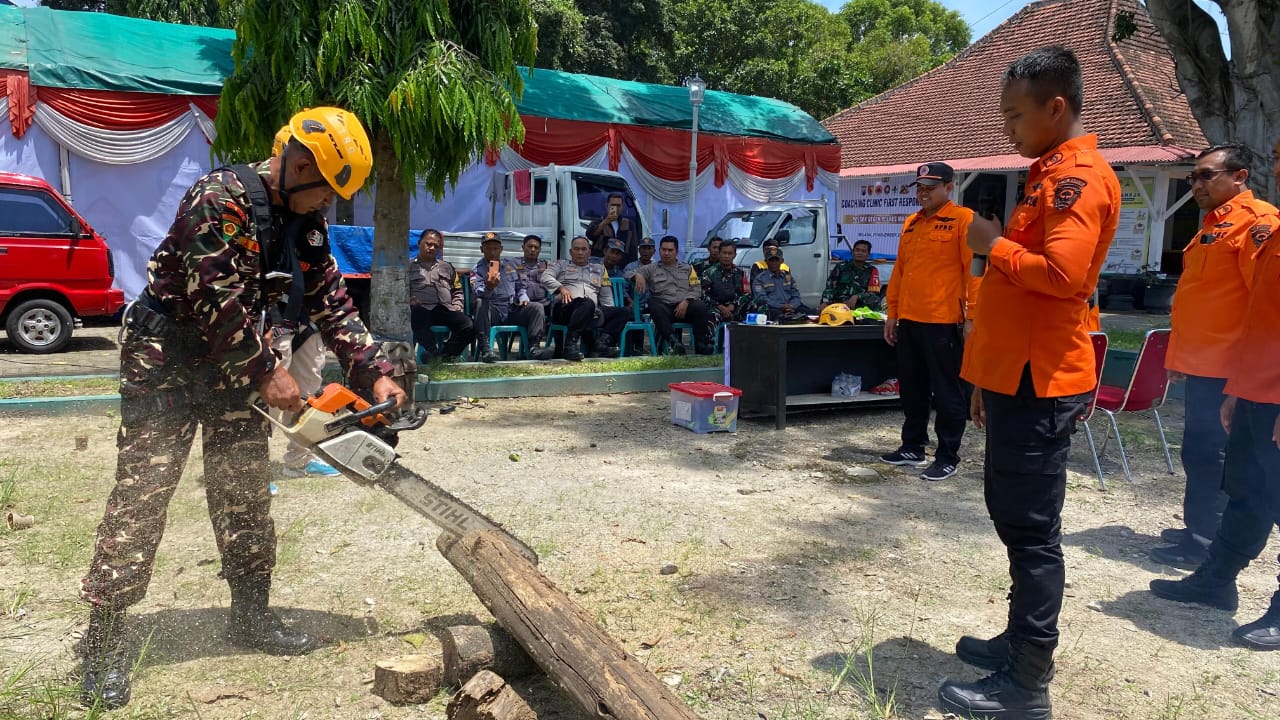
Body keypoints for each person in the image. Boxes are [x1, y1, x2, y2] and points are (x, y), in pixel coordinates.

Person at [78, 107, 406, 709]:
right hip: (167, 360)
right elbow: (216, 299)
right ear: (301, 164)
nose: (326, 206)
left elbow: (331, 298)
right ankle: (101, 643)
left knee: (243, 490)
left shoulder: (302, 221)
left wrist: (375, 372)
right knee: (143, 495)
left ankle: (250, 615)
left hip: (236, 365)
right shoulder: (220, 198)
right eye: (326, 191)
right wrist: (267, 372)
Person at [938, 47, 1121, 719]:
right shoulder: (1049, 174)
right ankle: (1019, 641)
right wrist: (986, 378)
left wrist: (993, 243)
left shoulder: (1079, 178)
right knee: (1014, 519)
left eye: (1015, 116)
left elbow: (1063, 276)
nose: (1006, 130)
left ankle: (1027, 683)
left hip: (1043, 383)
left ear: (1056, 107)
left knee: (1033, 533)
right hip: (1018, 377)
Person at [1147, 135, 1280, 652]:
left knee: (1253, 482)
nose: (1195, 183)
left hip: (1251, 378)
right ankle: (1215, 578)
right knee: (1242, 482)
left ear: (1237, 178)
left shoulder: (1259, 224)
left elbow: (1256, 311)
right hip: (1243, 378)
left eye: (1205, 175)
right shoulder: (1218, 226)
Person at [880, 161, 982, 482]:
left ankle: (947, 455)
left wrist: (972, 317)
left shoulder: (964, 221)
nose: (923, 194)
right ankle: (912, 446)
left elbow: (976, 273)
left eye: (931, 188)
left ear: (949, 187)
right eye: (920, 188)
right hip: (910, 321)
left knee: (948, 393)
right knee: (912, 389)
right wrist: (892, 313)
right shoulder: (911, 223)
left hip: (944, 323)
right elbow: (900, 272)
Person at [266, 124, 339, 478]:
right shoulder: (257, 212)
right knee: (266, 392)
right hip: (271, 317)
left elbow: (325, 277)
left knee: (309, 384)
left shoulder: (313, 221)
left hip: (305, 317)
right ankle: (254, 467)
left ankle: (299, 457)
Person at [471, 232, 551, 362]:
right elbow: (477, 292)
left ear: (501, 250)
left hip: (512, 308)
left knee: (537, 307)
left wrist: (523, 296)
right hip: (493, 311)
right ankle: (486, 349)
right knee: (480, 302)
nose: (492, 252)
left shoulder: (510, 265)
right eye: (488, 248)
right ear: (482, 249)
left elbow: (521, 286)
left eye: (495, 248)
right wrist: (489, 287)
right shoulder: (478, 269)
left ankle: (533, 348)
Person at [541, 236, 623, 361]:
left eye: (583, 249)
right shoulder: (560, 264)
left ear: (589, 252)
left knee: (623, 312)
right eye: (576, 249)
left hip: (591, 311)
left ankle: (601, 345)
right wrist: (561, 288)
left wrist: (608, 313)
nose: (580, 252)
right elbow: (545, 277)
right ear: (570, 252)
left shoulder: (599, 269)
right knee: (586, 303)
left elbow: (606, 296)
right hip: (565, 309)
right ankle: (570, 346)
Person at [632, 235, 715, 354]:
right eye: (663, 249)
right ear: (659, 250)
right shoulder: (650, 268)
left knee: (700, 306)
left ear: (676, 252)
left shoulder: (687, 268)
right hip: (664, 310)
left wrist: (686, 302)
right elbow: (628, 273)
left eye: (670, 250)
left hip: (684, 307)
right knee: (653, 303)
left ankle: (701, 345)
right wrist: (637, 275)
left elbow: (696, 289)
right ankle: (674, 343)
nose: (666, 253)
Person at [409, 229, 475, 361]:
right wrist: (409, 299)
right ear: (419, 244)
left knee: (469, 325)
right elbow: (400, 290)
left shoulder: (447, 267)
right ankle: (430, 351)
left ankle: (446, 354)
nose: (432, 248)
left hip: (445, 309)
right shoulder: (408, 266)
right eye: (428, 244)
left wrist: (457, 304)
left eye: (436, 246)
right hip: (420, 309)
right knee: (416, 315)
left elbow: (457, 289)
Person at [751, 246, 814, 321]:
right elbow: (762, 299)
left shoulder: (788, 277)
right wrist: (782, 306)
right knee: (779, 316)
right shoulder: (760, 279)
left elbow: (796, 295)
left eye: (777, 260)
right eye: (771, 260)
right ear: (766, 261)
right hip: (773, 309)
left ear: (782, 261)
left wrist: (791, 306)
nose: (774, 263)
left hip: (791, 308)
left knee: (811, 313)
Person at [821, 239, 883, 311]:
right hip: (840, 303)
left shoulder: (872, 270)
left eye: (863, 251)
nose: (860, 253)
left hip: (859, 303)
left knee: (875, 300)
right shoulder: (841, 267)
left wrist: (857, 296)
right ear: (852, 252)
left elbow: (874, 292)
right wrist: (825, 302)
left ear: (868, 254)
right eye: (857, 250)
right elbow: (830, 287)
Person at [701, 241, 753, 322]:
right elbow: (704, 295)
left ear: (734, 255)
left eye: (730, 253)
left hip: (736, 307)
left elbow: (747, 294)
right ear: (719, 254)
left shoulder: (741, 274)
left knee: (758, 305)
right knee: (710, 315)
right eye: (724, 253)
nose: (726, 256)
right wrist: (720, 307)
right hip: (716, 308)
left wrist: (733, 305)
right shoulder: (708, 273)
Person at [586, 192, 638, 265]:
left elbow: (633, 247)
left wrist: (632, 266)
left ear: (622, 206)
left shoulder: (629, 224)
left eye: (618, 205)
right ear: (607, 205)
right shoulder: (598, 221)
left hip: (621, 265)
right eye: (613, 205)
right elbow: (590, 235)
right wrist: (605, 222)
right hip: (600, 264)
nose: (616, 208)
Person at [518, 234, 551, 318]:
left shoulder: (546, 265)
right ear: (523, 247)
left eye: (536, 248)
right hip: (523, 305)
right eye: (530, 246)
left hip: (544, 305)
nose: (532, 250)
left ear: (540, 250)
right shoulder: (514, 264)